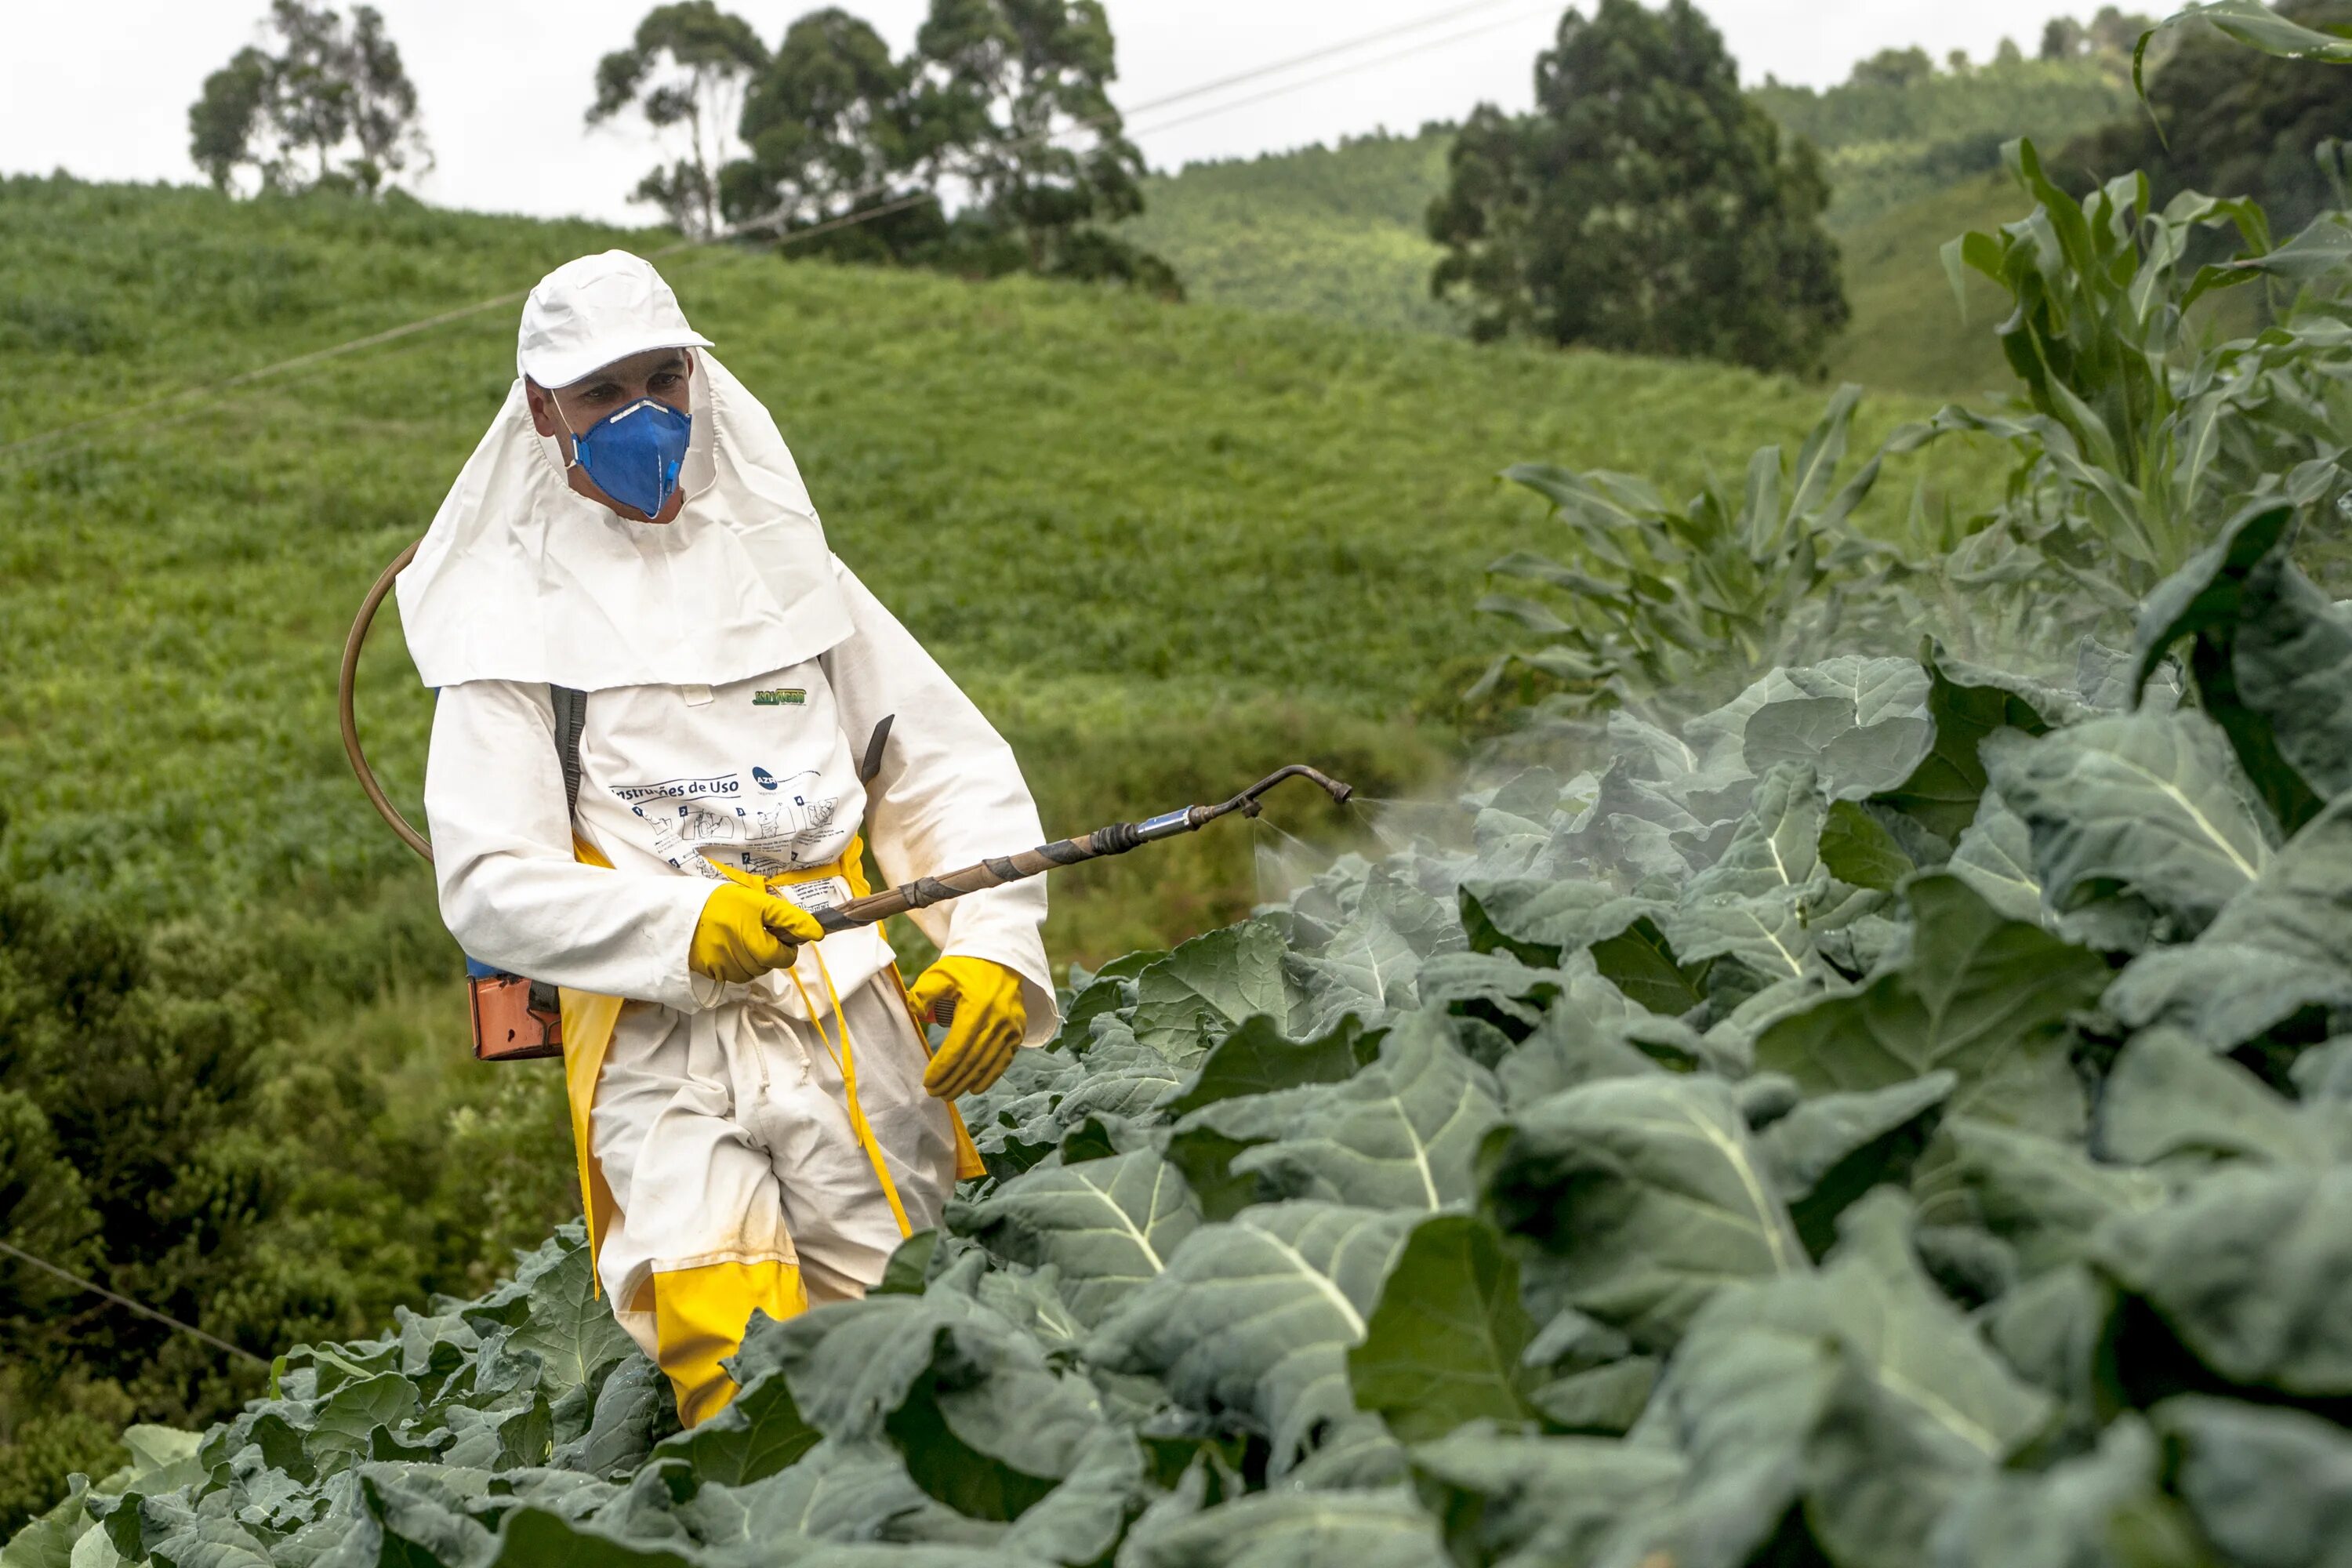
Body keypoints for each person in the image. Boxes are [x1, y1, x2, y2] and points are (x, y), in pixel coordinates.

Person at [399, 250, 1056, 1427]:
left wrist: (995, 942)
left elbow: (943, 765)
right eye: (604, 394)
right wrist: (685, 923)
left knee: (911, 1356)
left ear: (699, 378)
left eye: (664, 377)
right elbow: (491, 885)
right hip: (661, 1044)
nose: (642, 414)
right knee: (745, 1378)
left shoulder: (788, 568)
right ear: (545, 411)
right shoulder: (506, 624)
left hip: (850, 1010)